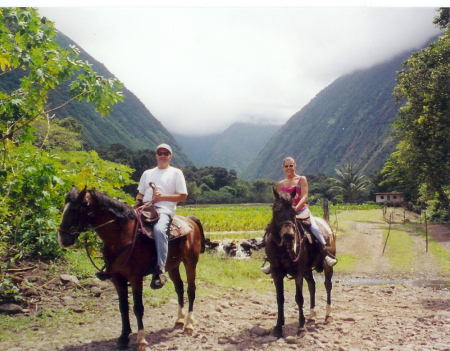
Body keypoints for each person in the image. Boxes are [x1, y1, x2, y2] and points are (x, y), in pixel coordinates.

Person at [261, 156, 337, 274]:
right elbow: (279, 201)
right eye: (286, 166)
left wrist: (295, 209)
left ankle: (325, 253)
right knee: (269, 233)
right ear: (283, 168)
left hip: (301, 211)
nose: (289, 168)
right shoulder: (281, 184)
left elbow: (304, 197)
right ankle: (270, 260)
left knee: (315, 228)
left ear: (295, 166)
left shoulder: (301, 179)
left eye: (291, 165)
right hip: (286, 215)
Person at [136, 143, 188, 289]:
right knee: (125, 225)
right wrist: (138, 203)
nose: (163, 156)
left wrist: (161, 197)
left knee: (159, 230)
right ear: (156, 155)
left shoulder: (176, 173)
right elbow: (140, 193)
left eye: (166, 153)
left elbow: (183, 196)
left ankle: (160, 269)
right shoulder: (147, 173)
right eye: (160, 153)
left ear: (170, 156)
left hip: (163, 209)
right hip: (145, 207)